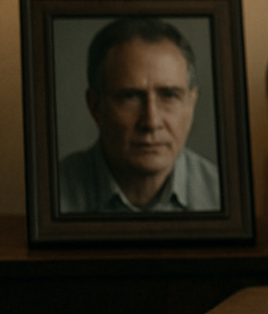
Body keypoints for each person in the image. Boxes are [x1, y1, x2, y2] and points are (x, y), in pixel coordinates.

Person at [57, 17, 221, 214]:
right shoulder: (52, 194)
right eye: (130, 97)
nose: (151, 122)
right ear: (95, 107)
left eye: (169, 95)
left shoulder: (220, 194)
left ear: (191, 103)